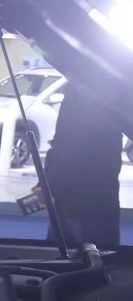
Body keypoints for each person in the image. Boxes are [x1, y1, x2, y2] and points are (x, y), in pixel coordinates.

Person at [43, 87, 122, 247]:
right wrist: (46, 182)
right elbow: (62, 142)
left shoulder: (89, 93)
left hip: (87, 206)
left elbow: (74, 146)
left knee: (73, 259)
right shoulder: (91, 91)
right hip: (84, 203)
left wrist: (51, 186)